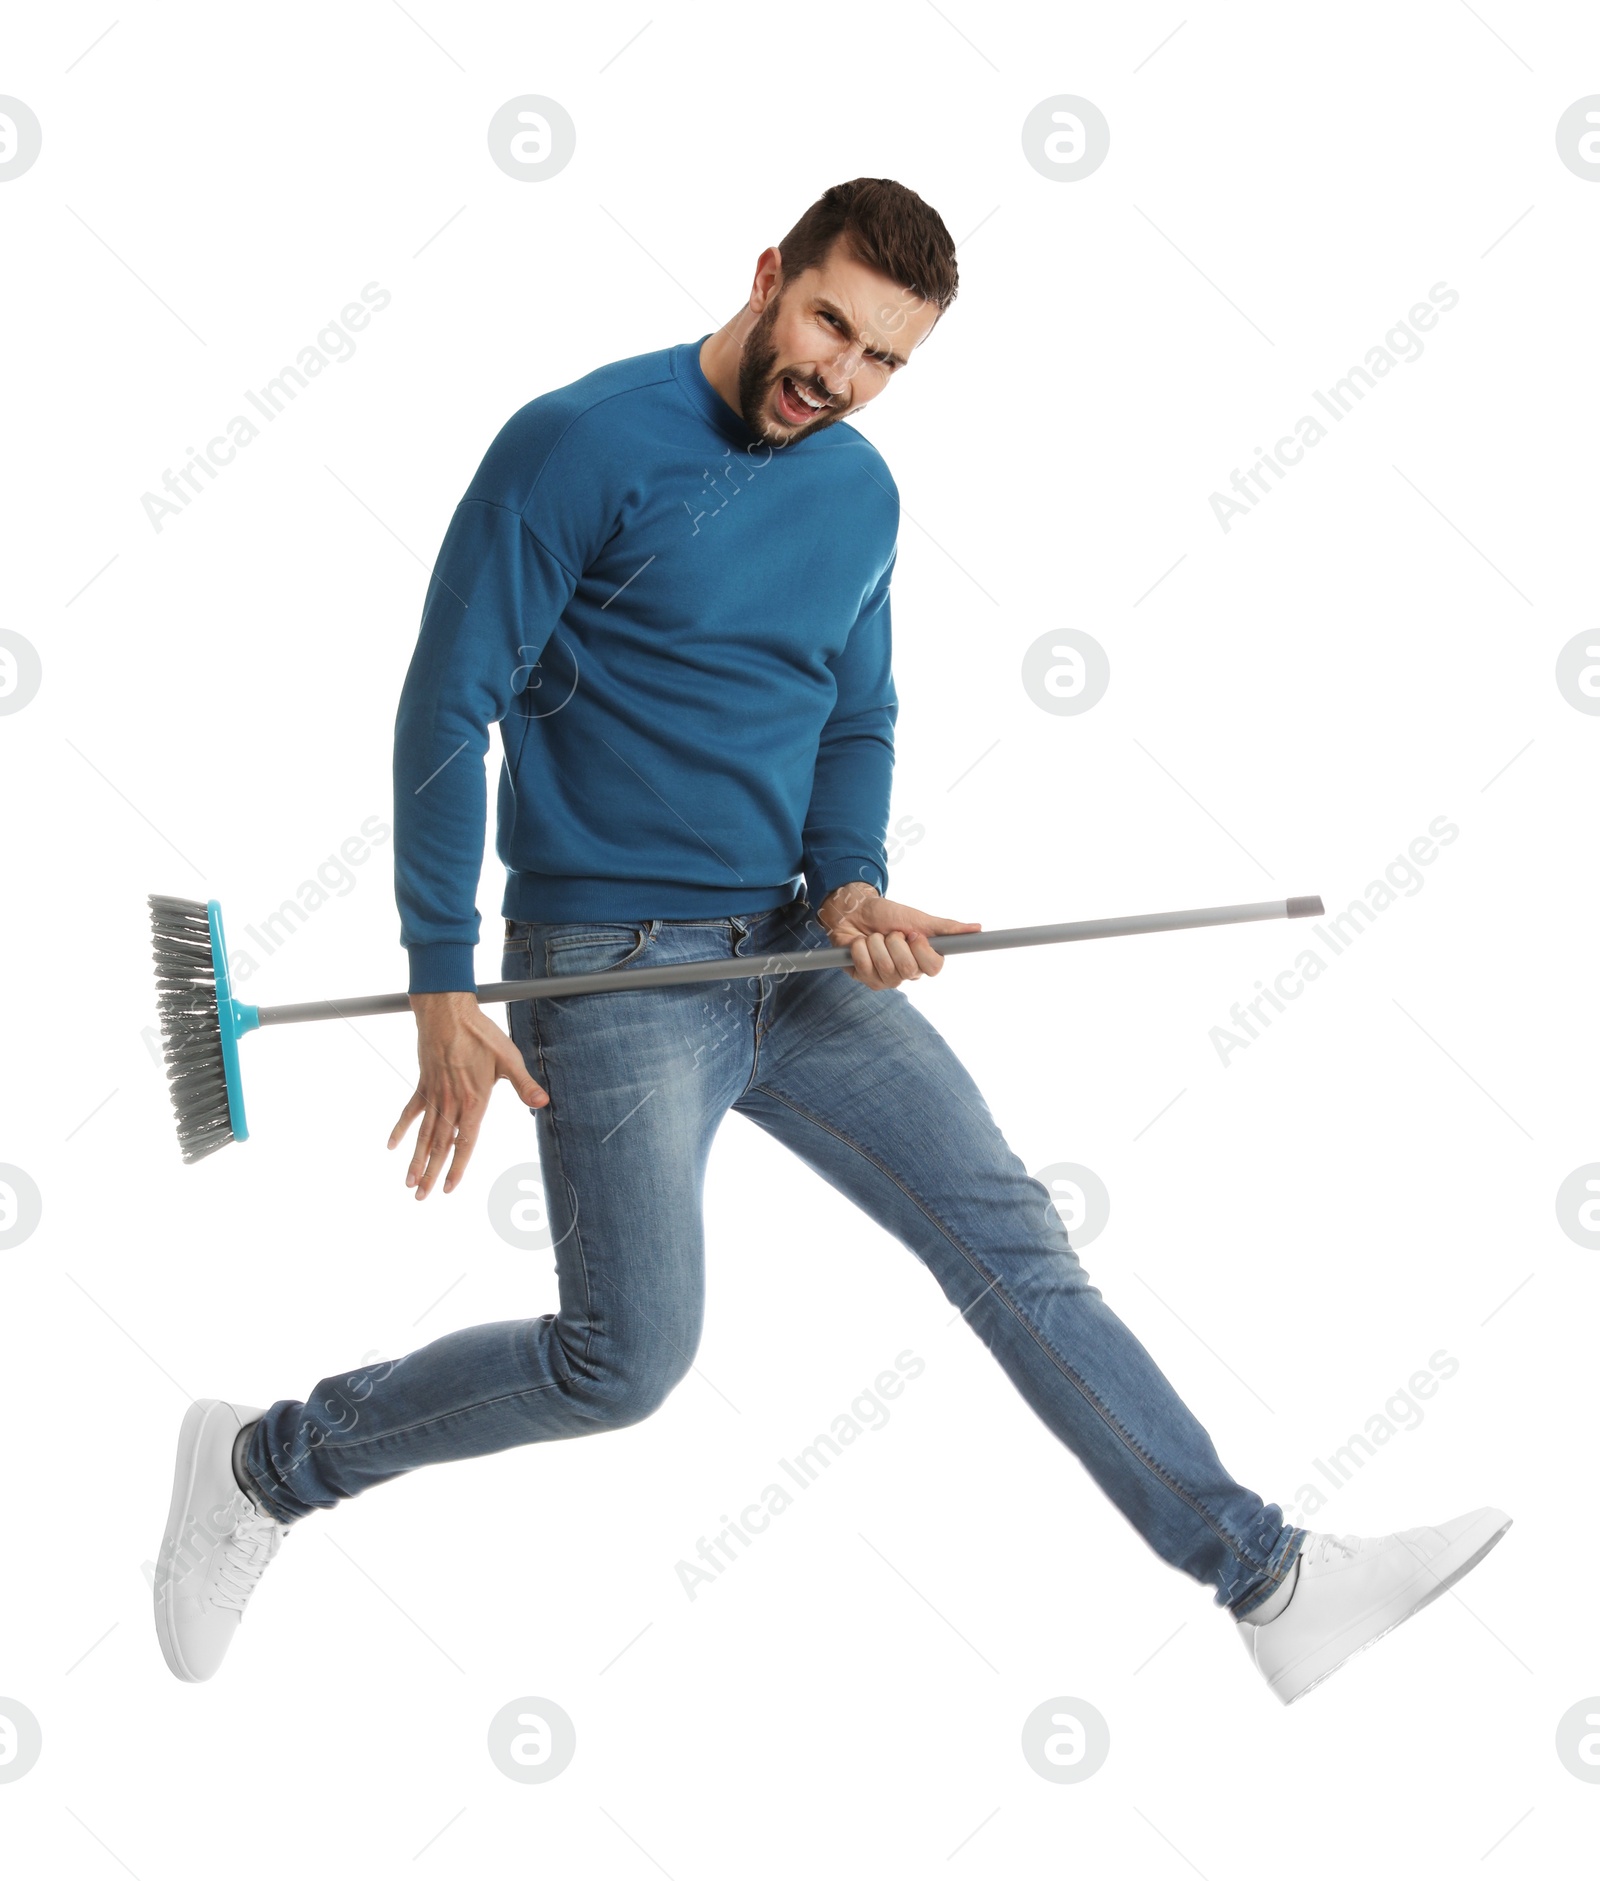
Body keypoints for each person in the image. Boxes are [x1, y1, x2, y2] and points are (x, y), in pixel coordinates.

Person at [154, 177, 1510, 1698]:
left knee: (1013, 1239)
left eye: (883, 361)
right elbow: (444, 703)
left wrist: (854, 887)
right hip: (610, 970)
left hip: (790, 952)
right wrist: (436, 976)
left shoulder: (858, 490)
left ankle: (1270, 1577)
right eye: (828, 325)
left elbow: (851, 708)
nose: (839, 379)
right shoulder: (579, 443)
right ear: (768, 275)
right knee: (625, 1364)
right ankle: (269, 1465)